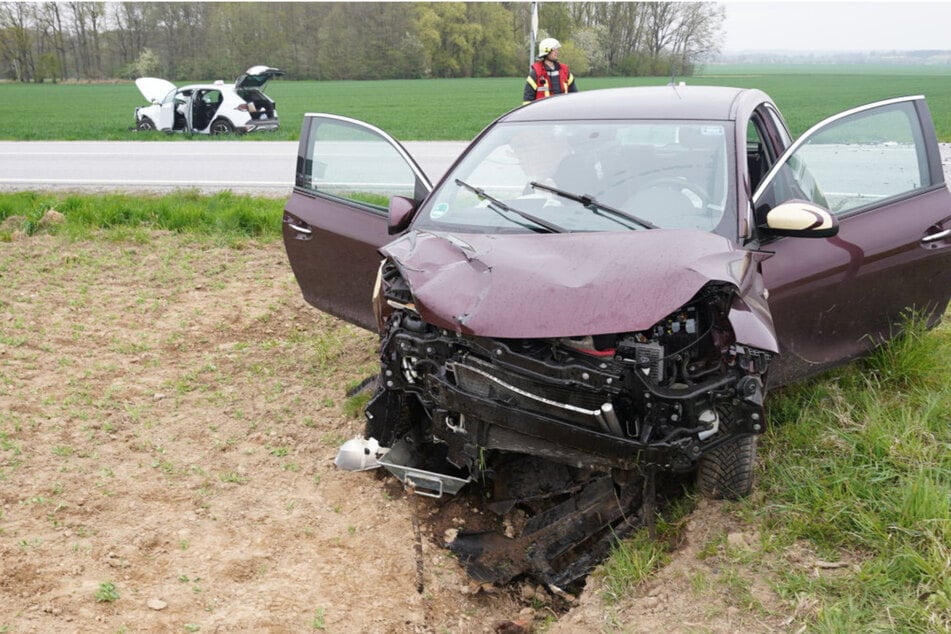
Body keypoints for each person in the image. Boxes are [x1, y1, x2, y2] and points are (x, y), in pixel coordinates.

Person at [522, 38, 578, 104]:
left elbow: (575, 96)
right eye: (554, 49)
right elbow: (527, 100)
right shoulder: (535, 74)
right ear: (546, 51)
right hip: (543, 113)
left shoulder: (565, 71)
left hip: (563, 111)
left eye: (557, 49)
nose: (557, 51)